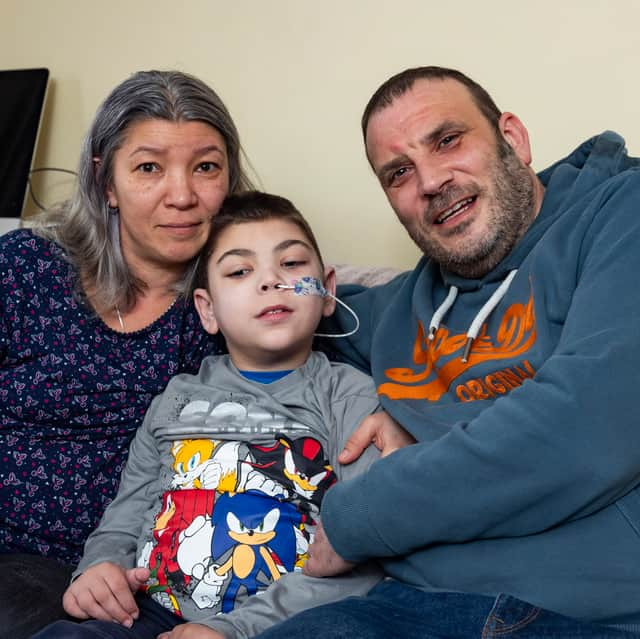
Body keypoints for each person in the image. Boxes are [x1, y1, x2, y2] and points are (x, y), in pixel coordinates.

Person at [251, 66, 640, 638]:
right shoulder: (392, 310)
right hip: (406, 609)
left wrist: (356, 516)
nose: (430, 181)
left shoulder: (618, 214)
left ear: (513, 138)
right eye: (399, 173)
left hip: (587, 614)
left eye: (447, 140)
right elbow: (277, 295)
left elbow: (588, 426)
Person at [32, 191, 387, 639]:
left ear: (327, 290)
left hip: (277, 622)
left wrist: (233, 630)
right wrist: (99, 567)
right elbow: (127, 510)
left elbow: (364, 547)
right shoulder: (176, 399)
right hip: (149, 612)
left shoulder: (349, 396)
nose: (271, 281)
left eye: (292, 264)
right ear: (208, 309)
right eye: (240, 271)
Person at [0, 69, 254, 638]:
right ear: (105, 181)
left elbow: (330, 313)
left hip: (126, 576)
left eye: (206, 167)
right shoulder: (24, 269)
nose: (183, 194)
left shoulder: (233, 302)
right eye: (149, 168)